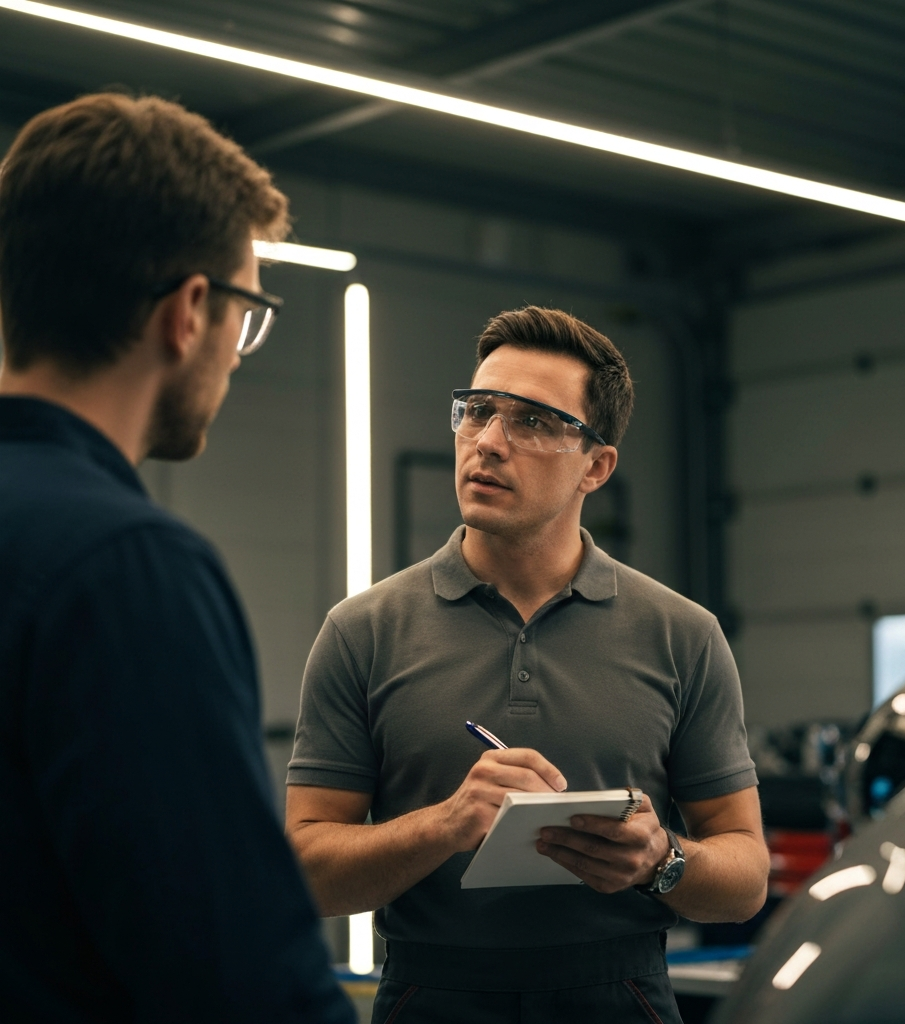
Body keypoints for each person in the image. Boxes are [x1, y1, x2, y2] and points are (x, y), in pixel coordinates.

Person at [285, 306, 770, 1023]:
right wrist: (445, 825)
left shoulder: (682, 635)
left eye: (533, 421)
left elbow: (747, 878)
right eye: (477, 411)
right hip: (431, 995)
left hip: (621, 995)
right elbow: (303, 874)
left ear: (596, 467)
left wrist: (662, 860)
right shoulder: (362, 632)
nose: (487, 441)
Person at [0, 94, 354, 1023]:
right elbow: (240, 978)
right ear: (190, 312)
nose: (238, 354)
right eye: (248, 312)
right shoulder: (125, 567)